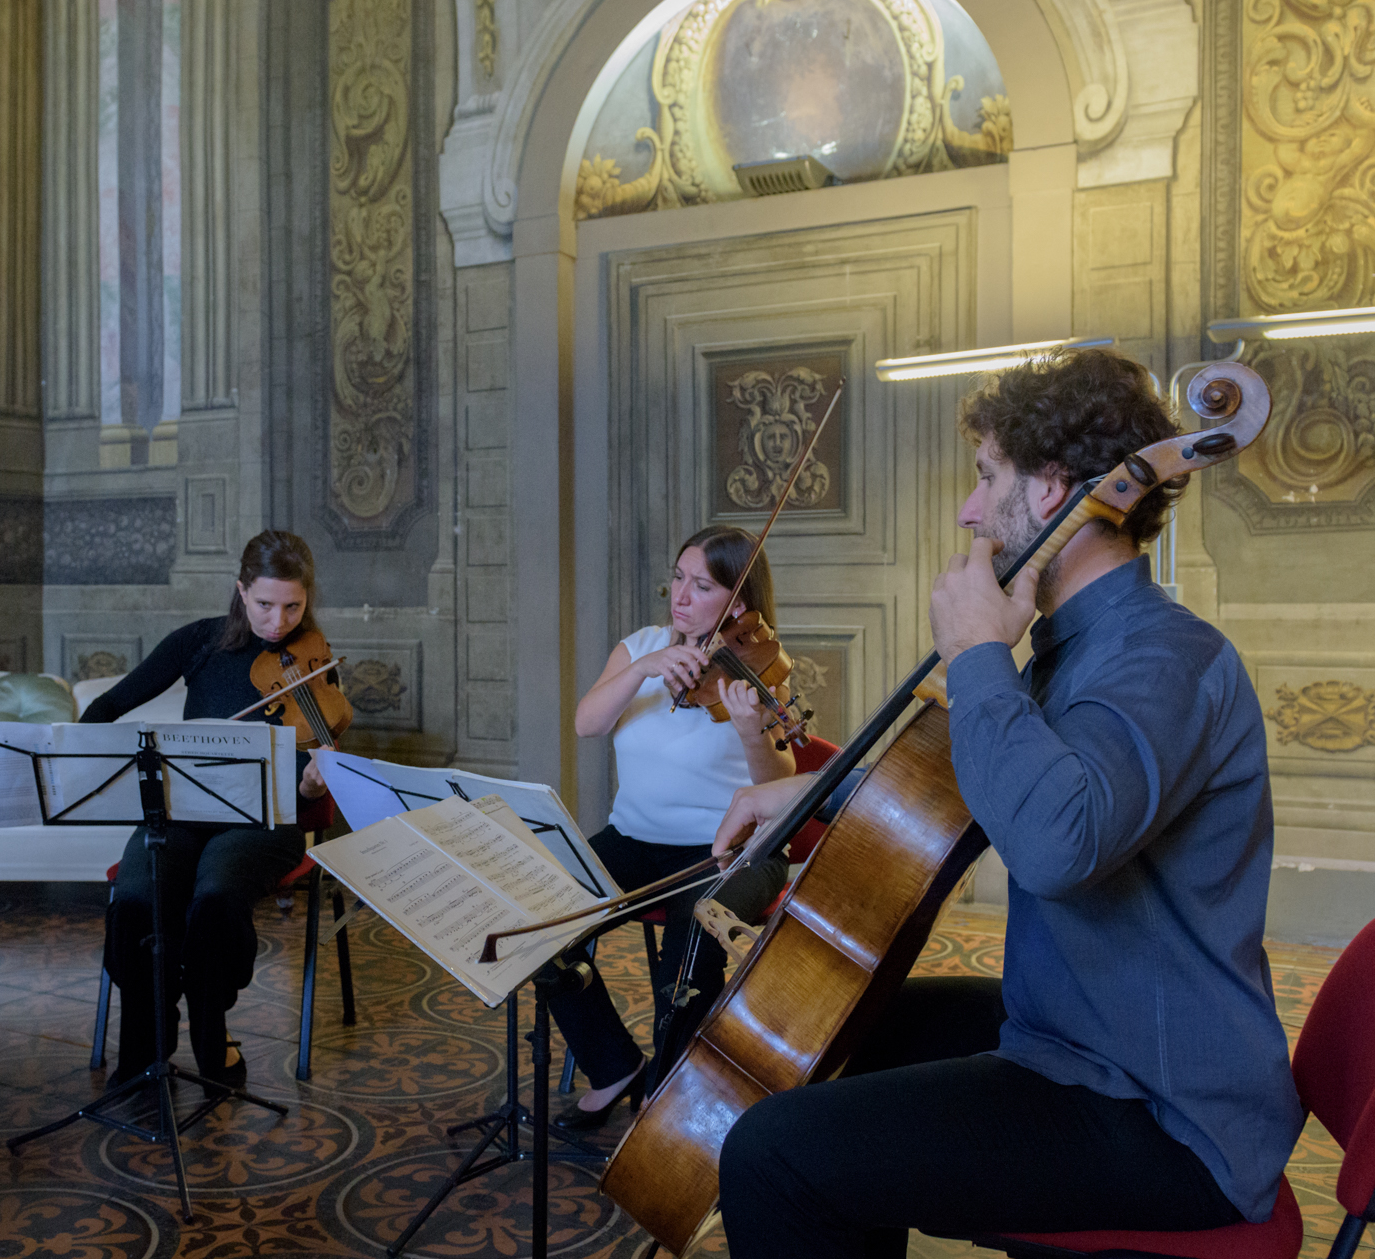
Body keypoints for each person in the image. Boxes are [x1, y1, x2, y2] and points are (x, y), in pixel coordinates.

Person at [708, 349, 1302, 1255]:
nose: (969, 509)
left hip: (1162, 1104)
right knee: (833, 1028)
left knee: (772, 1156)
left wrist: (979, 654)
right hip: (1075, 1028)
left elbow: (1055, 841)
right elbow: (992, 784)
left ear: (1057, 485)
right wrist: (804, 786)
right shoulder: (1078, 647)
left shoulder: (1165, 658)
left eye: (987, 477)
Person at [548, 526, 797, 1132]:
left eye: (702, 585)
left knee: (692, 939)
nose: (680, 596)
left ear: (737, 604)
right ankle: (614, 1066)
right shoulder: (641, 648)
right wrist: (644, 669)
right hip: (632, 840)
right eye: (678, 578)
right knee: (543, 919)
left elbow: (782, 784)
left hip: (728, 851)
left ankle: (669, 1101)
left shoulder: (760, 665)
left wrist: (748, 731)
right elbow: (586, 723)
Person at [82, 530, 337, 1089]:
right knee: (134, 899)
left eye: (294, 606)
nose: (278, 622)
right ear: (241, 591)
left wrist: (316, 788)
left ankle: (210, 1022)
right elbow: (108, 704)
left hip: (268, 819)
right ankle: (149, 1034)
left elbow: (318, 767)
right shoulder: (198, 643)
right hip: (180, 813)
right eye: (265, 604)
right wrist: (79, 759)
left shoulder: (313, 659)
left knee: (215, 897)